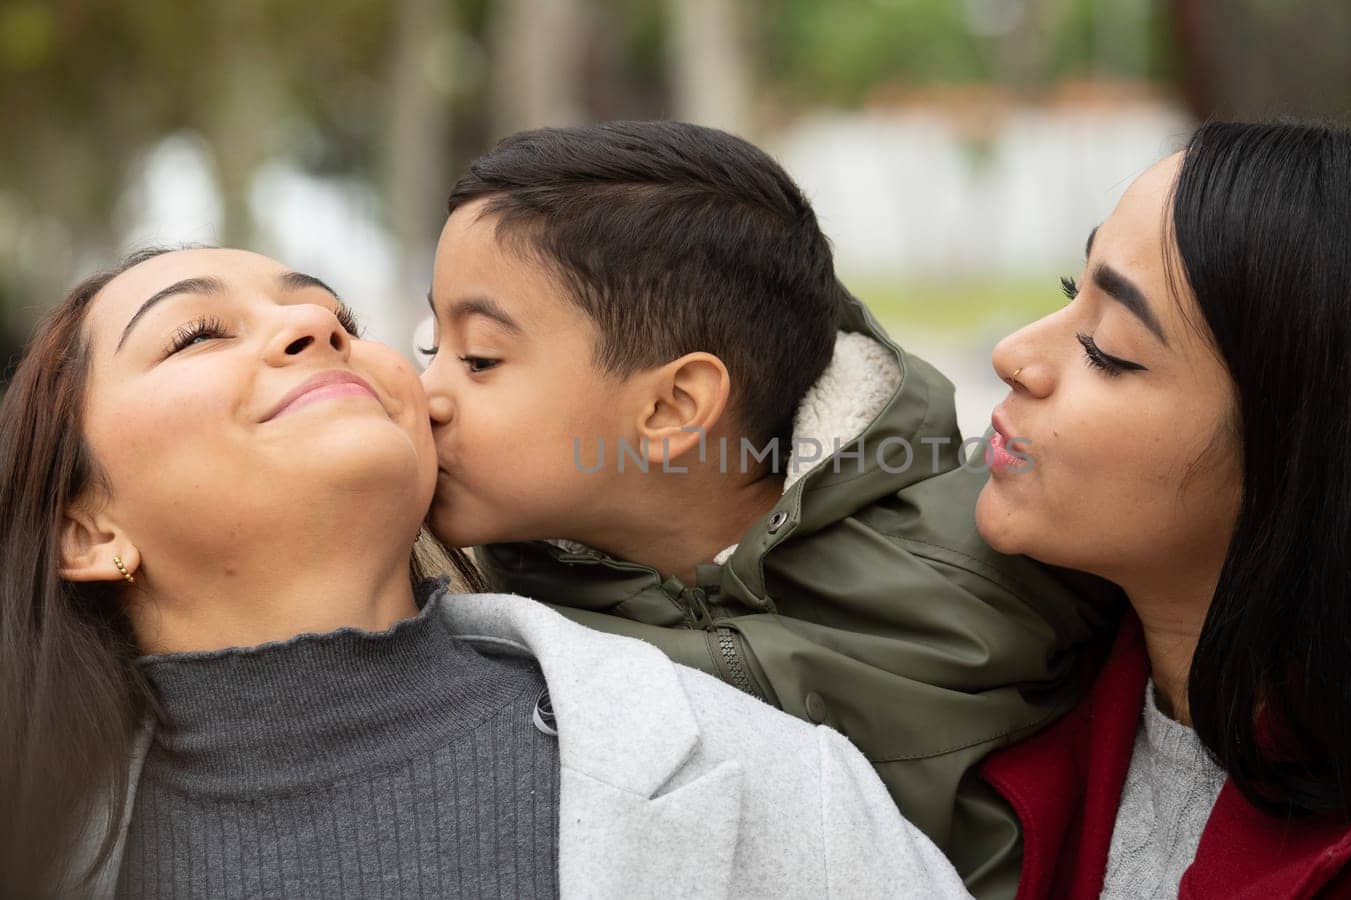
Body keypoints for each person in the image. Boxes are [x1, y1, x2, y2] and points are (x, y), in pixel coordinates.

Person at [0, 246, 970, 899]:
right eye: (197, 334)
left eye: (333, 316)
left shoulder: (765, 776)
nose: (317, 331)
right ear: (86, 531)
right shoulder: (37, 853)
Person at [419, 121, 1115, 897]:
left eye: (478, 359)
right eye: (429, 347)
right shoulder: (498, 632)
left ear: (675, 406)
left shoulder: (997, 542)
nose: (428, 396)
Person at [975, 120, 1351, 899]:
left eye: (1108, 348)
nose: (1013, 355)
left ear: (1307, 465)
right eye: (1074, 294)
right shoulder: (981, 690)